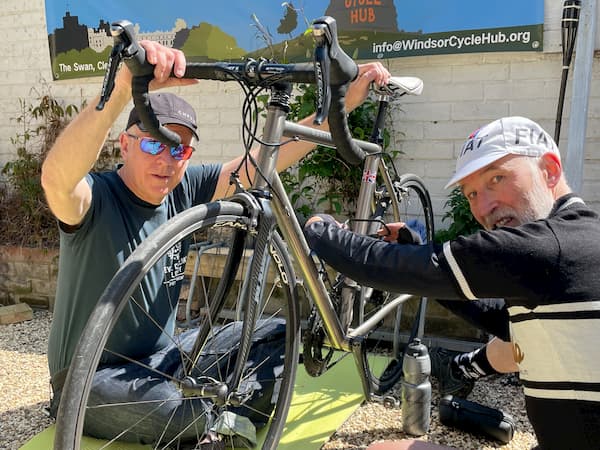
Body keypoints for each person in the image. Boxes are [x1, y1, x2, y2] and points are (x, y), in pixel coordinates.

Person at [41, 38, 390, 446]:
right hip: (89, 380)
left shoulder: (184, 187)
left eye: (180, 149)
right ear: (125, 144)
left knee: (278, 334)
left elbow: (259, 162)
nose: (167, 160)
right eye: (155, 142)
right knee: (182, 411)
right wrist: (121, 91)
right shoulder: (95, 198)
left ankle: (220, 420)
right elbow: (56, 179)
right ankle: (223, 418)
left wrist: (338, 107)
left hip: (168, 360)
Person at [304, 116, 600, 449]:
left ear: (549, 170)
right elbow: (503, 320)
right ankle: (462, 370)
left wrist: (318, 230)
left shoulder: (547, 246)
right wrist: (414, 252)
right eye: (471, 193)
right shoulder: (580, 241)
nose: (484, 206)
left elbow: (395, 268)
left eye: (497, 178)